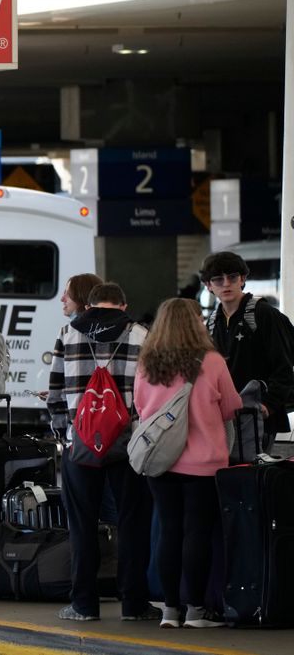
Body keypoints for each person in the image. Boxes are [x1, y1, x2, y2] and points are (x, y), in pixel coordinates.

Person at [47, 283, 156, 622]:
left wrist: (65, 434)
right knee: (131, 523)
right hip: (128, 444)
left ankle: (83, 604)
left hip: (80, 443)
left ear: (91, 304)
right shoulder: (141, 334)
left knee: (82, 524)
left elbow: (55, 393)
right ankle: (134, 605)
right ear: (123, 305)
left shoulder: (68, 333)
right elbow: (152, 392)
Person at [134, 298, 241, 628]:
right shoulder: (212, 361)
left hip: (160, 462)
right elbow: (231, 409)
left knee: (169, 531)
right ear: (195, 323)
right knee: (198, 533)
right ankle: (195, 611)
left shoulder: (148, 362)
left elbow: (140, 408)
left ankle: (169, 610)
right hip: (204, 464)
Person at [200, 251, 293, 451]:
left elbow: (285, 366)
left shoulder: (264, 314)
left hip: (259, 416)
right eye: (218, 279)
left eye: (232, 277)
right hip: (225, 418)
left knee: (251, 478)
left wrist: (268, 405)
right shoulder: (212, 322)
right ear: (208, 285)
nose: (226, 284)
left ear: (242, 279)